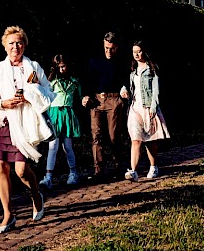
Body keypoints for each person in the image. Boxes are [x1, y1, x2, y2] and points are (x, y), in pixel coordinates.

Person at [0, 26, 54, 234]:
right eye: (11, 43)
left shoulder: (34, 67)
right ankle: (8, 214)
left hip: (23, 124)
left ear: (25, 45)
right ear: (4, 46)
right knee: (0, 167)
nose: (15, 47)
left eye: (19, 43)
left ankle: (36, 194)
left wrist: (30, 95)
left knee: (21, 170)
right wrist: (2, 103)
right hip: (2, 121)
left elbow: (48, 93)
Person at [81, 31, 127, 180]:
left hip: (113, 99)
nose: (108, 51)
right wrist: (86, 96)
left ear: (117, 47)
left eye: (112, 48)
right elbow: (88, 80)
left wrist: (124, 91)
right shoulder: (95, 60)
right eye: (106, 48)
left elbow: (126, 80)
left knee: (114, 136)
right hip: (96, 100)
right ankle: (98, 170)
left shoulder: (121, 62)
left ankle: (118, 167)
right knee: (96, 135)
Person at [121, 40, 170, 180]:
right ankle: (133, 171)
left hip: (148, 107)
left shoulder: (152, 69)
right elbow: (130, 87)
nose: (136, 54)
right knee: (135, 139)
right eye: (134, 52)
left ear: (145, 51)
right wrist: (124, 91)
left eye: (139, 51)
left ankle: (153, 166)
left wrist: (153, 107)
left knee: (150, 141)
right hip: (135, 108)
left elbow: (156, 90)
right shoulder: (132, 69)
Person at [39, 54, 83, 189]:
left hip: (67, 114)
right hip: (54, 114)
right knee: (53, 146)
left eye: (64, 66)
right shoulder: (50, 81)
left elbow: (80, 96)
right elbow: (43, 95)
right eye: (59, 67)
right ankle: (48, 177)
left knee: (68, 146)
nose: (62, 69)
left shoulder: (74, 81)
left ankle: (73, 173)